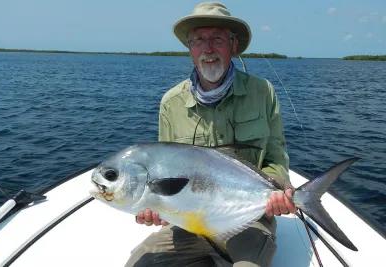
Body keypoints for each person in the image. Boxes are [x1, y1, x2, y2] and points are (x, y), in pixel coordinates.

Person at [126, 2, 296, 267]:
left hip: (247, 220)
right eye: (198, 41)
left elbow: (276, 156)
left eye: (217, 39)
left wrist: (276, 191)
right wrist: (150, 207)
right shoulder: (171, 103)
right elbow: (160, 173)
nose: (208, 49)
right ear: (190, 50)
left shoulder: (262, 92)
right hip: (187, 222)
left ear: (233, 45)